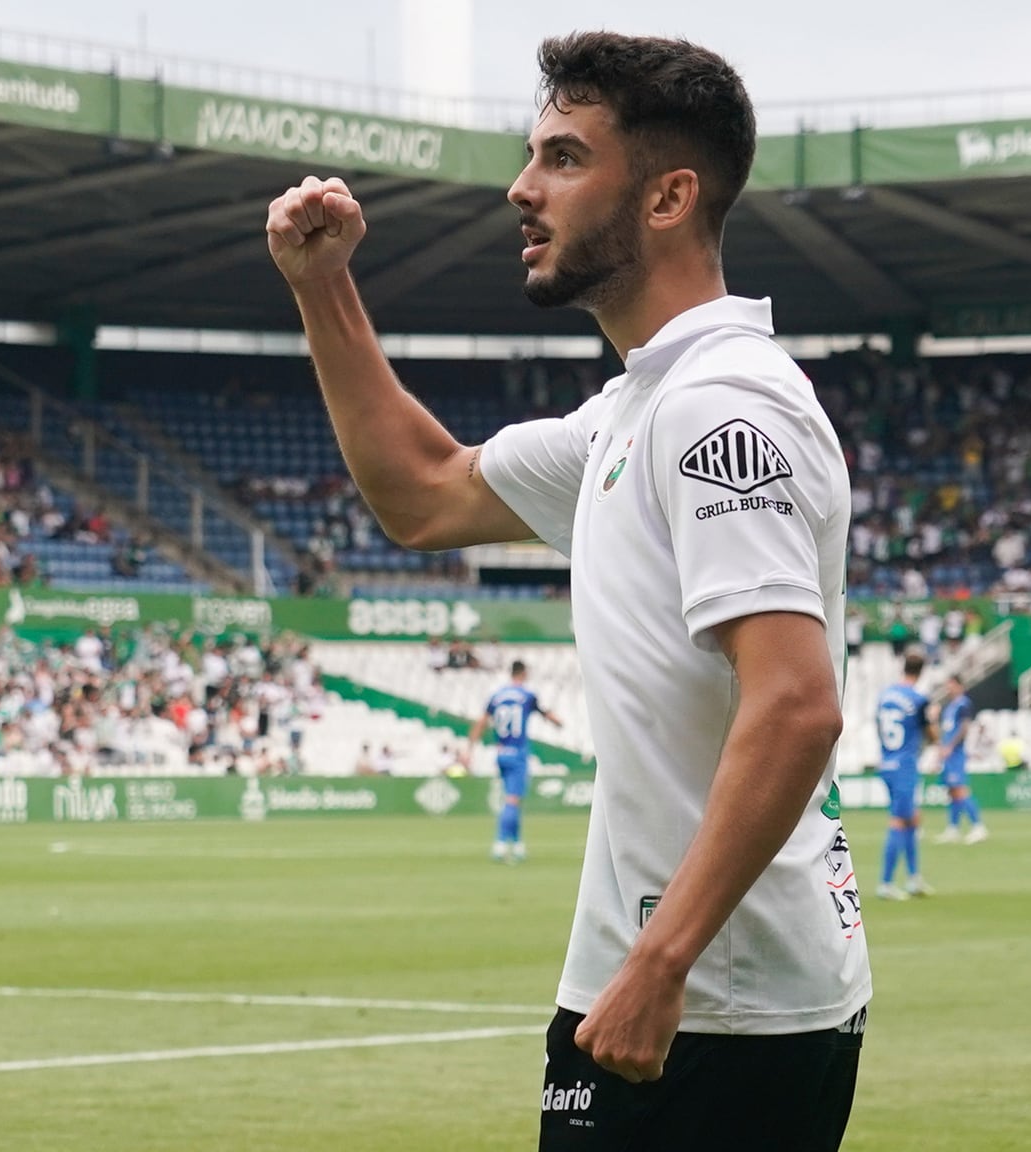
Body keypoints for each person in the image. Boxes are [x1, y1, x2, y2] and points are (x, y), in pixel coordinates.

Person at [266, 31, 867, 1150]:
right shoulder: (636, 409)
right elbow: (428, 495)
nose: (521, 187)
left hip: (713, 1006)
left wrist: (663, 960)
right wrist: (325, 288)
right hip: (679, 986)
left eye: (564, 157)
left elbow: (796, 703)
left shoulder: (719, 409)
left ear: (668, 196)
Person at [466, 659, 564, 863]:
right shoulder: (527, 696)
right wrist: (558, 722)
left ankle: (518, 845)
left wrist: (470, 749)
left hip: (501, 752)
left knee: (514, 799)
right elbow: (548, 715)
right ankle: (500, 844)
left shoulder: (497, 696)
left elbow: (481, 722)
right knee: (512, 800)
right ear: (523, 673)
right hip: (518, 753)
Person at [875, 649, 935, 899]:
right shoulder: (919, 700)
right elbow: (932, 737)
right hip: (905, 765)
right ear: (922, 672)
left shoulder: (884, 695)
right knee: (899, 820)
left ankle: (913, 879)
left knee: (911, 818)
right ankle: (886, 884)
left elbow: (878, 726)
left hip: (887, 761)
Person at [932, 674, 986, 845]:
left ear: (959, 686)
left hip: (955, 753)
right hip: (948, 753)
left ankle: (978, 826)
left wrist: (950, 747)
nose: (948, 688)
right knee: (952, 792)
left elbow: (964, 727)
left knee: (960, 789)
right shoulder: (949, 706)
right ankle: (953, 828)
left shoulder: (963, 703)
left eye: (951, 685)